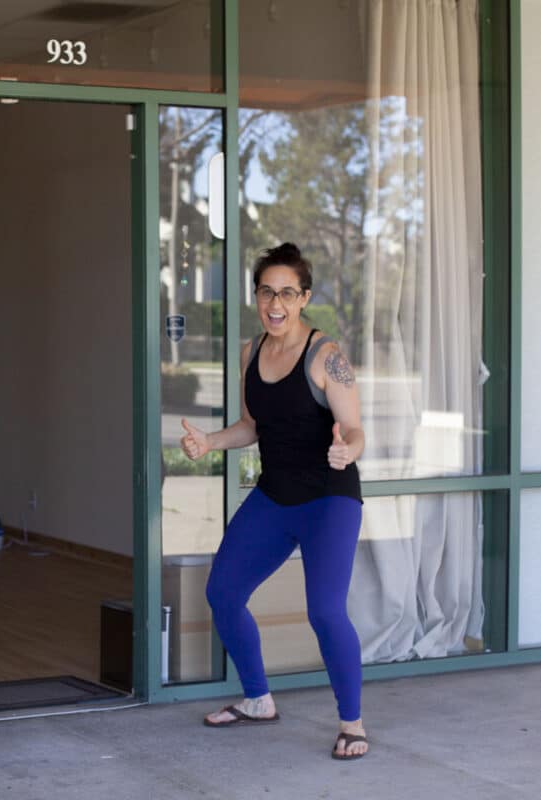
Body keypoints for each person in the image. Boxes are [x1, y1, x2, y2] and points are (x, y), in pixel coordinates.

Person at [180, 242, 368, 760]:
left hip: (329, 499)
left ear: (304, 298)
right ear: (257, 297)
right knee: (223, 592)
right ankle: (258, 699)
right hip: (274, 494)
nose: (276, 303)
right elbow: (252, 426)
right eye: (267, 292)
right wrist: (209, 442)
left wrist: (347, 450)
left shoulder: (327, 357)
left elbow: (354, 429)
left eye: (287, 293)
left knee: (325, 611)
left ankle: (352, 723)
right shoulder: (251, 352)